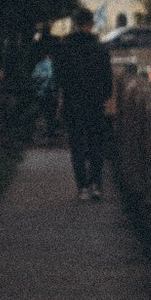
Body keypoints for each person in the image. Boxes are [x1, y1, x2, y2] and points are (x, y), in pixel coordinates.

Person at [54, 11, 114, 199]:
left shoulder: (65, 47)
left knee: (78, 145)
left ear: (75, 23)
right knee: (96, 144)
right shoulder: (100, 48)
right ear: (91, 23)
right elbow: (107, 77)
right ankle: (96, 184)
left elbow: (59, 77)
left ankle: (82, 188)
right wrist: (105, 96)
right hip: (95, 103)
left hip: (74, 102)